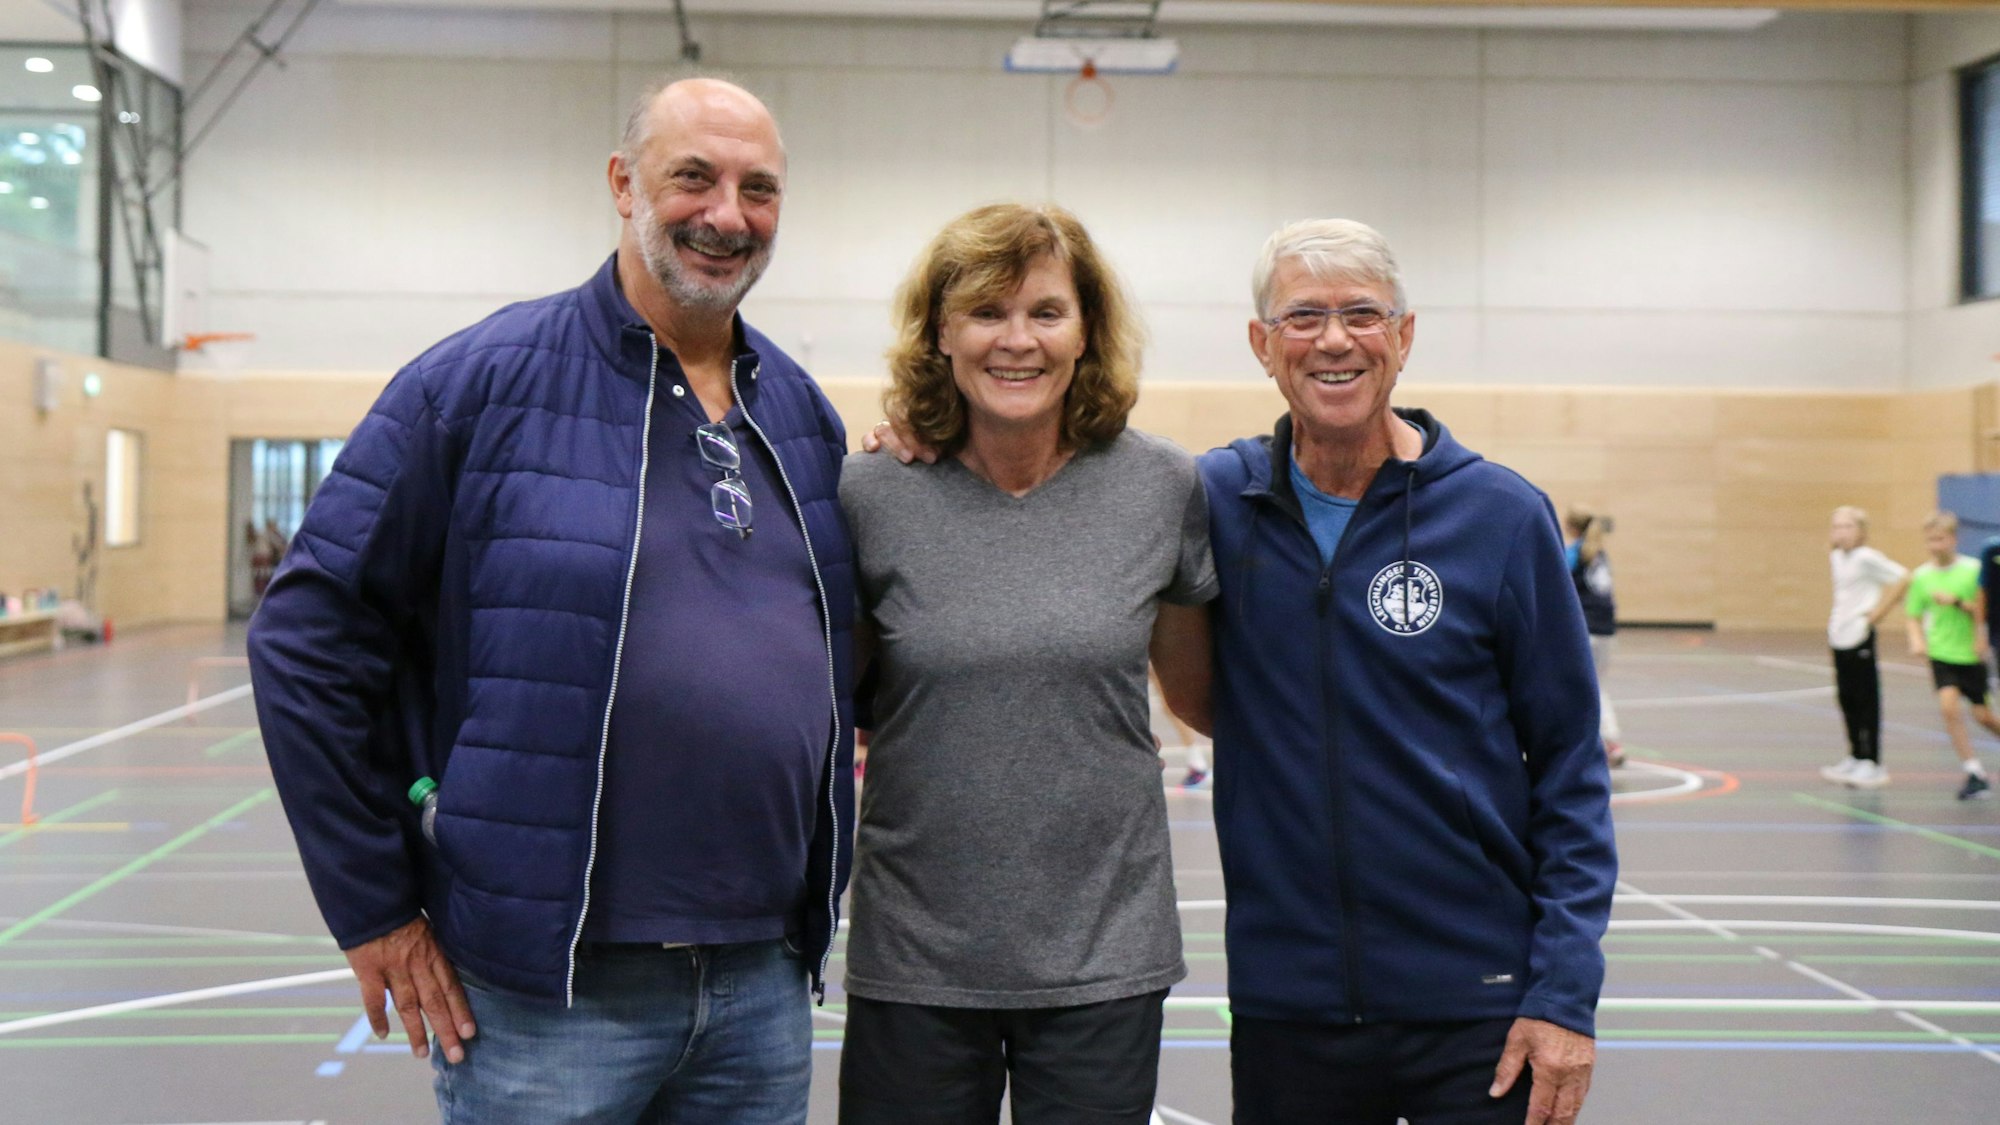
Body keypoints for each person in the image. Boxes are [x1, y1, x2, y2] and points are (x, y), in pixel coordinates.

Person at [246, 78, 855, 1124]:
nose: (726, 215)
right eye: (692, 179)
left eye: (758, 190)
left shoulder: (799, 415)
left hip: (761, 979)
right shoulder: (475, 386)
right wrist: (373, 906)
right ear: (623, 184)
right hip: (545, 1000)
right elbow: (305, 640)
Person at [1196, 219, 1617, 1125]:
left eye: (1362, 313)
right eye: (1304, 316)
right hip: (1288, 1008)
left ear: (1405, 335)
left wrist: (1563, 994)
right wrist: (918, 432)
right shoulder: (1215, 502)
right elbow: (1062, 471)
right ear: (1263, 346)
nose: (1336, 339)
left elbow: (1573, 766)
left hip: (1481, 1007)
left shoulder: (1501, 516)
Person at [836, 203, 1216, 1125]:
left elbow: (1203, 698)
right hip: (917, 964)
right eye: (986, 313)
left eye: (1046, 312)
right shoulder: (867, 493)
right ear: (940, 331)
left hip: (1102, 962)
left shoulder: (1161, 487)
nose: (1018, 341)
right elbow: (827, 703)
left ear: (1087, 331)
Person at [1905, 510, 1995, 800]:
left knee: (1983, 716)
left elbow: (1984, 610)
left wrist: (1957, 603)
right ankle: (1973, 771)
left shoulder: (1973, 571)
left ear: (1953, 539)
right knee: (1948, 708)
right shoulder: (1921, 577)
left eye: (1941, 539)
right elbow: (1913, 615)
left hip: (1969, 654)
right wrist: (1917, 640)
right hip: (1941, 653)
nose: (1935, 546)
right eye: (1930, 540)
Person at [1822, 506, 1908, 789]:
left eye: (1847, 526)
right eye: (1836, 526)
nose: (1840, 532)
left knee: (1865, 699)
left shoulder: (1867, 558)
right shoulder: (1837, 557)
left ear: (1860, 531)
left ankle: (1873, 762)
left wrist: (1879, 612)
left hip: (1860, 636)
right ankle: (1855, 755)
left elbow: (1904, 577)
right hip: (1839, 637)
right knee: (1846, 697)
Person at [1563, 505, 1622, 769]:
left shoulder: (1574, 554)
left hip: (1585, 629)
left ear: (1572, 527)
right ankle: (1599, 742)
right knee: (1596, 684)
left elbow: (1559, 587)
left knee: (1589, 687)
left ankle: (1609, 742)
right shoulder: (1600, 554)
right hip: (1606, 630)